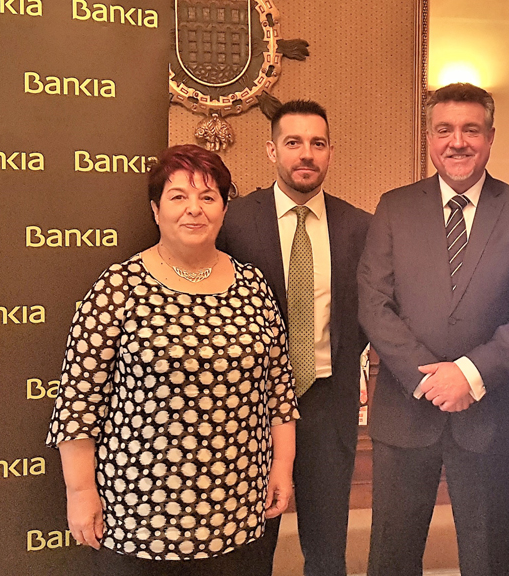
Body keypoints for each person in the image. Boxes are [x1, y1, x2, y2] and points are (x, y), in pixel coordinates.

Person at [45, 145, 299, 576]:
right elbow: (78, 404)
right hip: (140, 516)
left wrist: (282, 467)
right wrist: (81, 491)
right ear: (156, 209)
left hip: (238, 509)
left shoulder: (253, 286)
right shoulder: (118, 287)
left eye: (207, 196)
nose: (193, 209)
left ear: (223, 209)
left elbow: (279, 392)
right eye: (178, 196)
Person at [358, 82, 509, 576]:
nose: (457, 142)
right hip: (406, 409)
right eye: (444, 130)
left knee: (487, 559)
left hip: (488, 411)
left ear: (490, 137)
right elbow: (374, 303)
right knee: (392, 558)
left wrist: (469, 374)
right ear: (429, 138)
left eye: (470, 130)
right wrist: (430, 378)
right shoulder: (394, 206)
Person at [217, 99, 371, 576]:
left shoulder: (359, 226)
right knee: (250, 544)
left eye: (317, 143)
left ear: (330, 153)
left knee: (326, 548)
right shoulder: (233, 222)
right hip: (249, 406)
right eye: (293, 142)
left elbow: (370, 313)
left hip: (327, 402)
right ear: (272, 151)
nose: (306, 154)